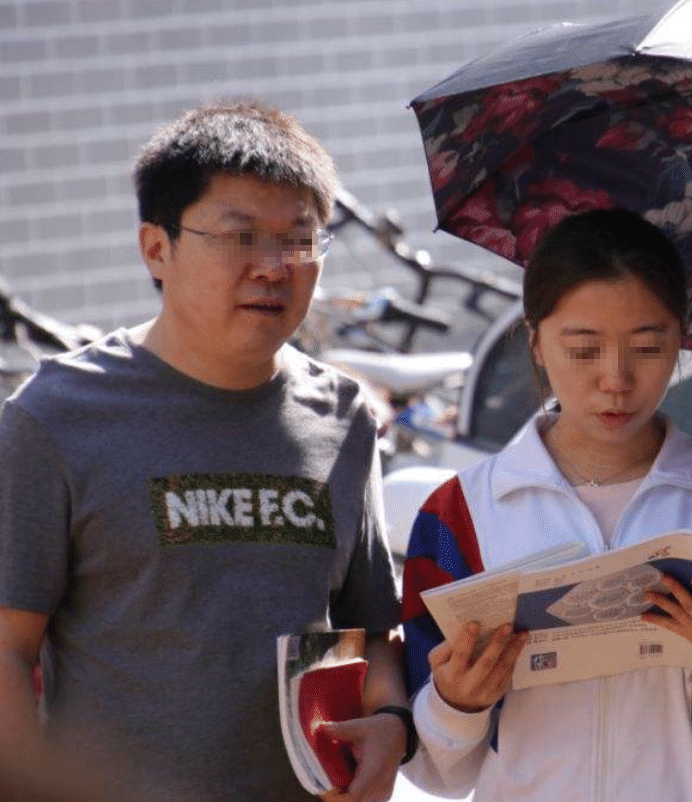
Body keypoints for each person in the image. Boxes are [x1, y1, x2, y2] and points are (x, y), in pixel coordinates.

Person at [0, 102, 411, 802]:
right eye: (240, 237)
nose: (274, 268)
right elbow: (9, 649)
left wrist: (393, 722)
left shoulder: (343, 419)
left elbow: (369, 632)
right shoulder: (55, 416)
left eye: (299, 239)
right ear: (156, 247)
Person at [399, 207, 692, 802]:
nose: (616, 379)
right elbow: (431, 772)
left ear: (681, 338)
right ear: (535, 342)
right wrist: (457, 704)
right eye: (583, 350)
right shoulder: (458, 516)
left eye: (648, 347)